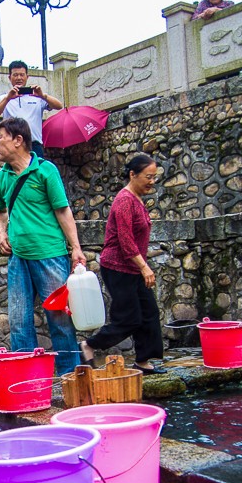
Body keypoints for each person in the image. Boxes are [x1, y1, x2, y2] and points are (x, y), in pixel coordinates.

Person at [0, 117, 85, 375]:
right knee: (19, 322)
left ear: (18, 140)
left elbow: (63, 210)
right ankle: (28, 380)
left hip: (50, 255)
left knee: (60, 320)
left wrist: (76, 248)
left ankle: (69, 376)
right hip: (18, 259)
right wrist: (1, 233)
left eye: (0, 138)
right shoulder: (1, 178)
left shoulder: (46, 171)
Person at [79, 154, 166, 375]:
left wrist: (141, 267)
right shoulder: (124, 200)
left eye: (154, 177)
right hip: (118, 268)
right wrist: (145, 267)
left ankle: (143, 361)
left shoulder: (136, 198)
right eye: (148, 176)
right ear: (132, 175)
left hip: (133, 267)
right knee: (128, 319)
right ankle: (89, 345)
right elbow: (126, 241)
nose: (152, 181)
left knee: (149, 313)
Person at [0, 60, 63, 159]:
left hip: (34, 145)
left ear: (27, 77)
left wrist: (43, 95)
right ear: (9, 77)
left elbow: (59, 106)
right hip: (12, 144)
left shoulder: (37, 97)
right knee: (14, 173)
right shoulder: (4, 98)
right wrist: (8, 98)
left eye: (22, 75)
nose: (19, 78)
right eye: (15, 75)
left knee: (36, 174)